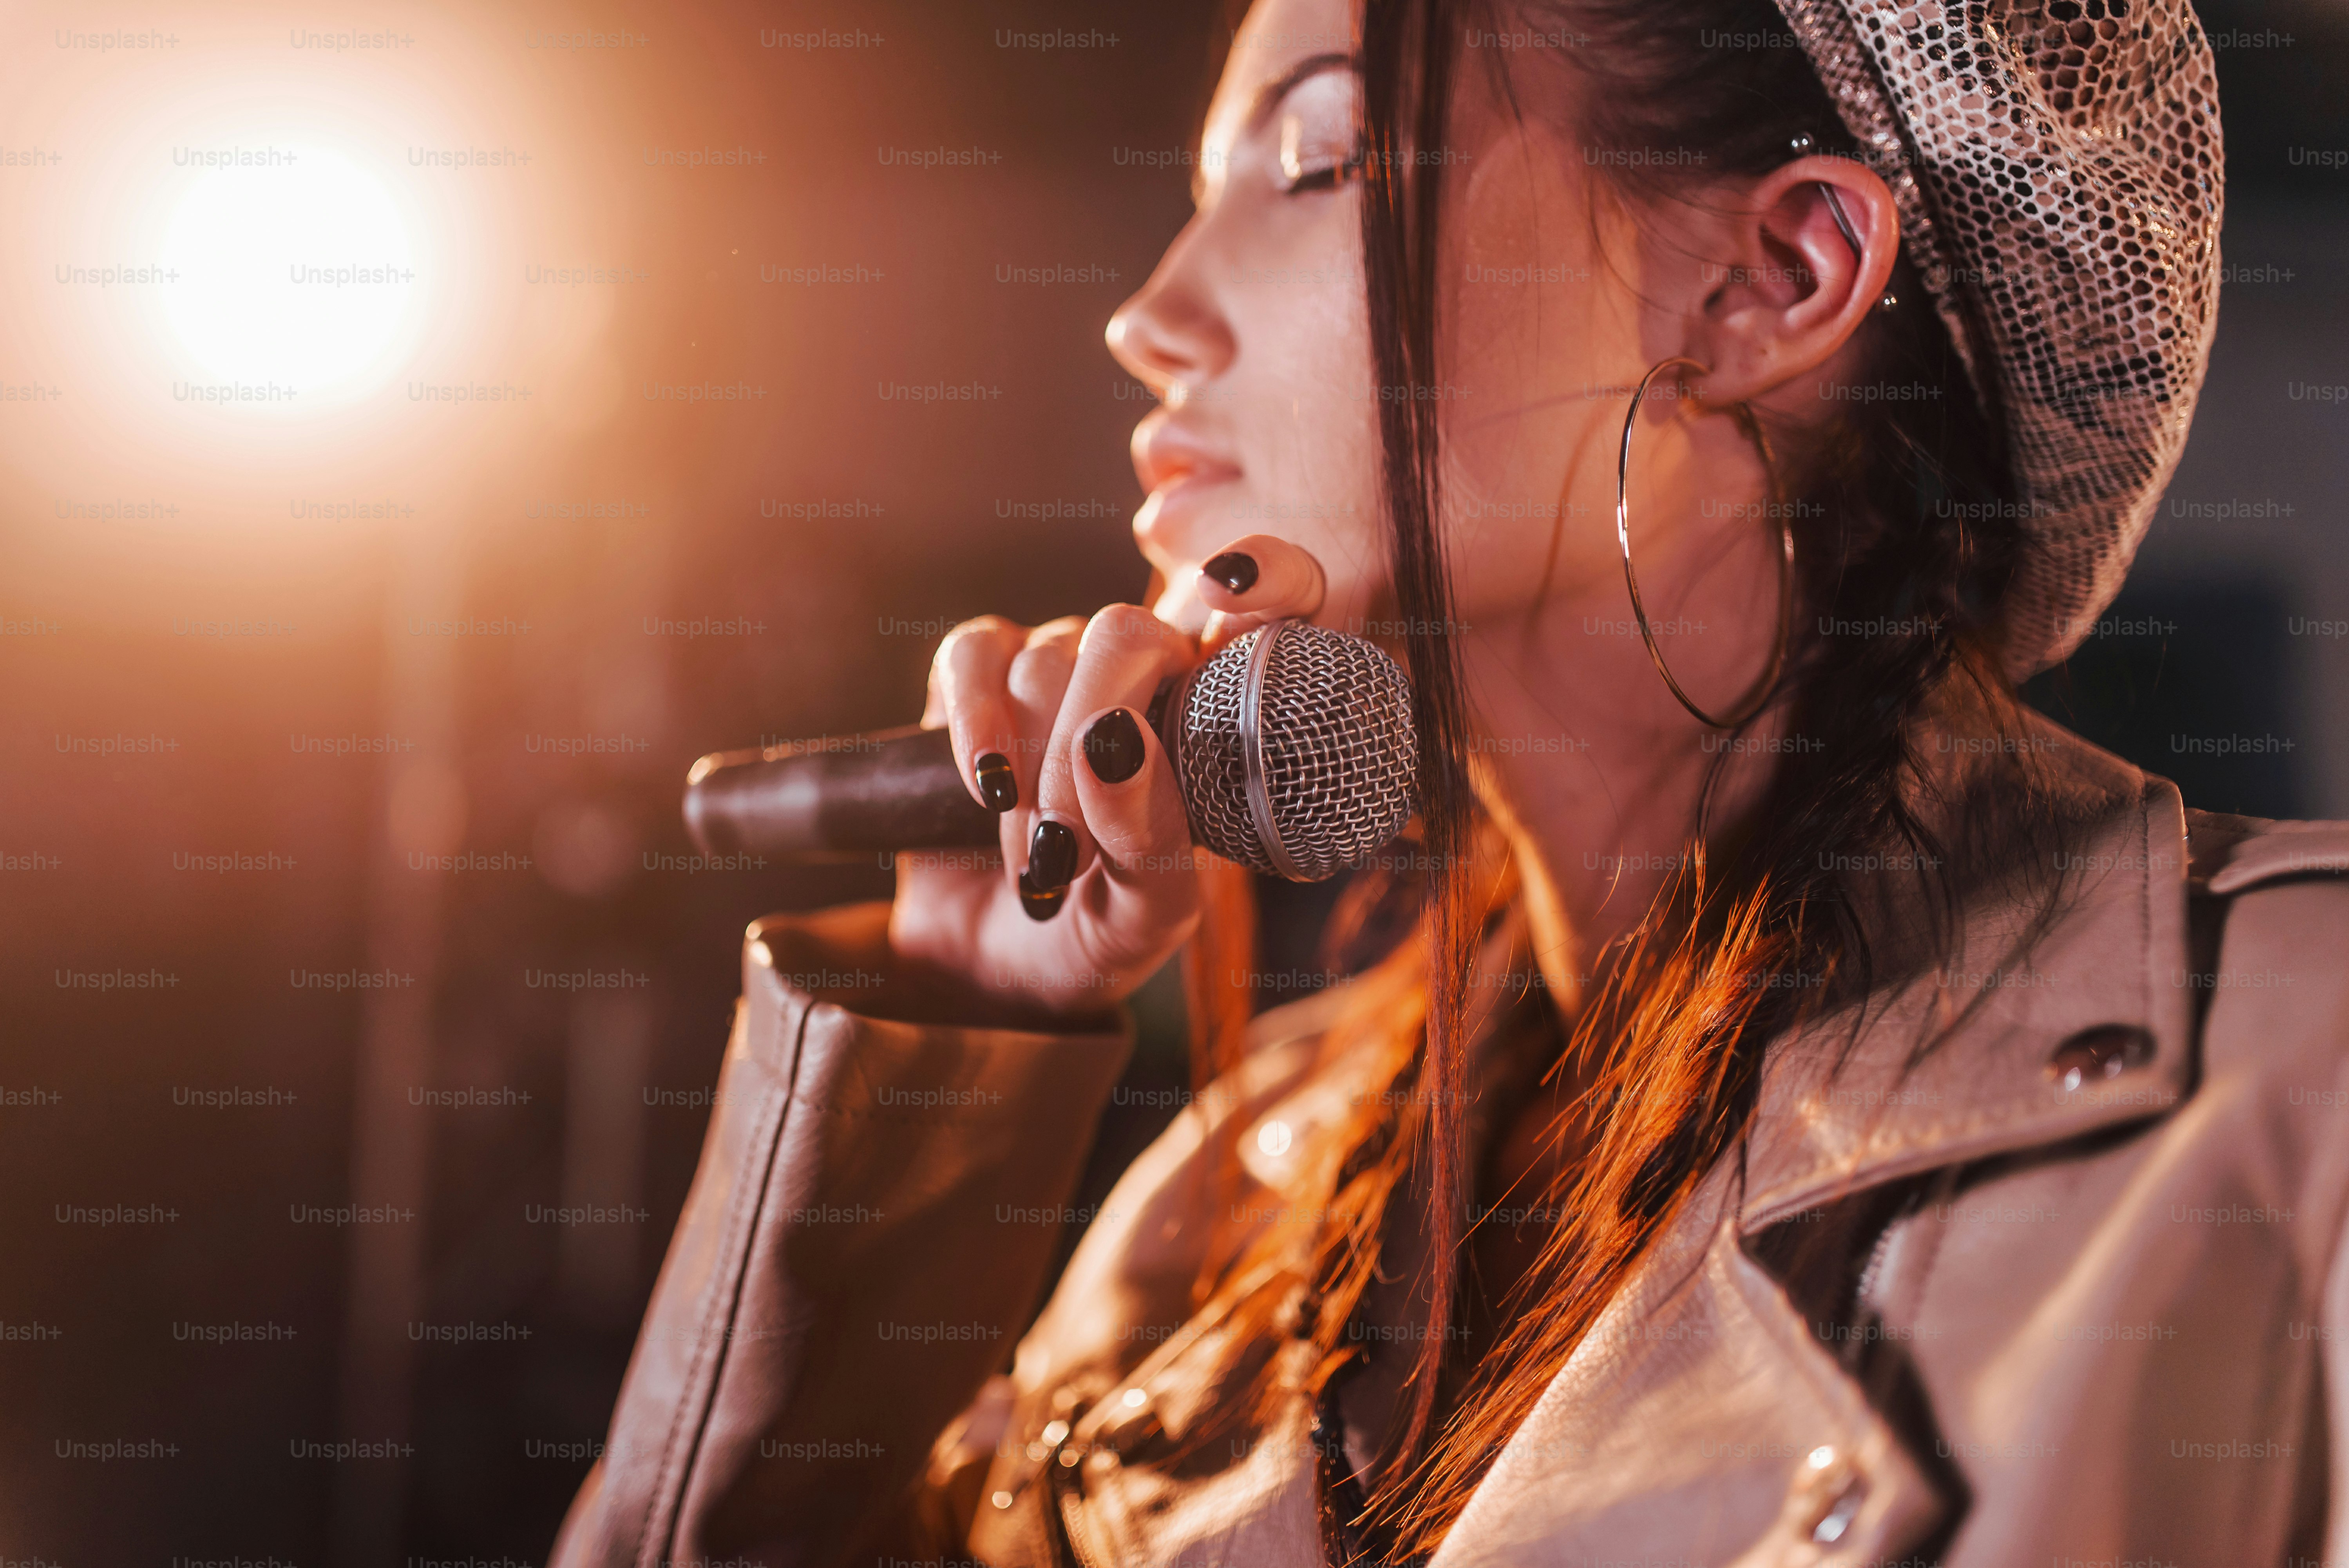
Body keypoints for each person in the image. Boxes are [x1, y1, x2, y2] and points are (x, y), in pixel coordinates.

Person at [552, 0, 2349, 1563]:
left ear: (1770, 277)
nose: (1147, 314)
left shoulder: (2297, 1077)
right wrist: (946, 1030)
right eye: (1201, 190)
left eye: (1316, 157)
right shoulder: (1220, 1209)